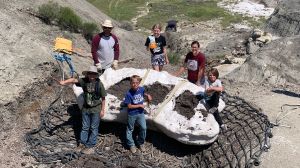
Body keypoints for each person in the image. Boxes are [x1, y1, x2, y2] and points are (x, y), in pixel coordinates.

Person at [59, 66, 107, 154]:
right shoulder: (84, 81)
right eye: (90, 73)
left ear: (96, 75)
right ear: (88, 74)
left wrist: (103, 110)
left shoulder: (99, 84)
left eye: (93, 74)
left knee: (93, 128)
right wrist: (64, 82)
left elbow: (103, 98)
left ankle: (90, 146)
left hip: (96, 109)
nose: (91, 75)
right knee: (85, 127)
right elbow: (73, 80)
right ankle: (82, 144)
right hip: (86, 109)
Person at [123, 75, 152, 153]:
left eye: (136, 83)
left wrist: (147, 95)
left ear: (139, 83)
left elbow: (143, 93)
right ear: (130, 83)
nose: (134, 84)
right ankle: (131, 145)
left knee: (144, 128)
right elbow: (129, 106)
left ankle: (140, 142)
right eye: (133, 83)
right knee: (130, 129)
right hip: (132, 114)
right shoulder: (128, 94)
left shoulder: (141, 89)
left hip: (140, 113)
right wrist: (139, 105)